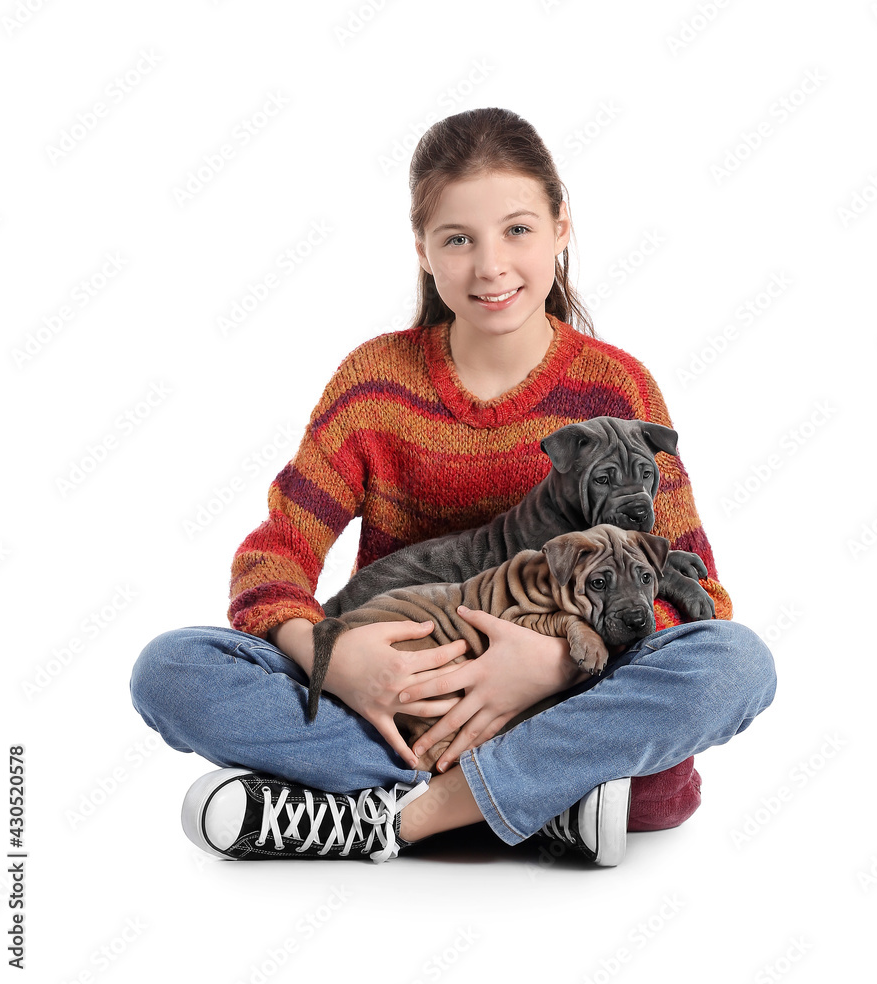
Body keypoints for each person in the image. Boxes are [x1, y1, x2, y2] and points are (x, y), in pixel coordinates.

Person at [130, 107, 776, 868]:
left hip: (566, 680)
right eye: (458, 239)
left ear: (561, 226)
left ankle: (401, 813)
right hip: (400, 691)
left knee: (734, 662)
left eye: (517, 230)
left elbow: (698, 589)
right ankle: (540, 799)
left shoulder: (617, 388)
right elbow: (274, 558)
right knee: (172, 669)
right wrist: (333, 661)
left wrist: (557, 663)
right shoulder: (376, 381)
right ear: (422, 250)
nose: (490, 266)